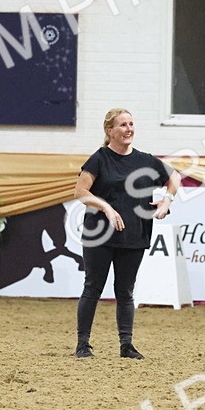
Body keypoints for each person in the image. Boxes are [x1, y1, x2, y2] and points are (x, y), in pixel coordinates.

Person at [73, 108, 180, 360]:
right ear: (109, 131)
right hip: (99, 234)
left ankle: (126, 345)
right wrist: (106, 207)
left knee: (126, 290)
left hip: (134, 233)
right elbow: (80, 192)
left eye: (131, 124)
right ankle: (83, 344)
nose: (129, 129)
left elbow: (174, 176)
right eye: (122, 125)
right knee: (93, 287)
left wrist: (167, 201)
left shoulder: (146, 160)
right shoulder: (99, 159)